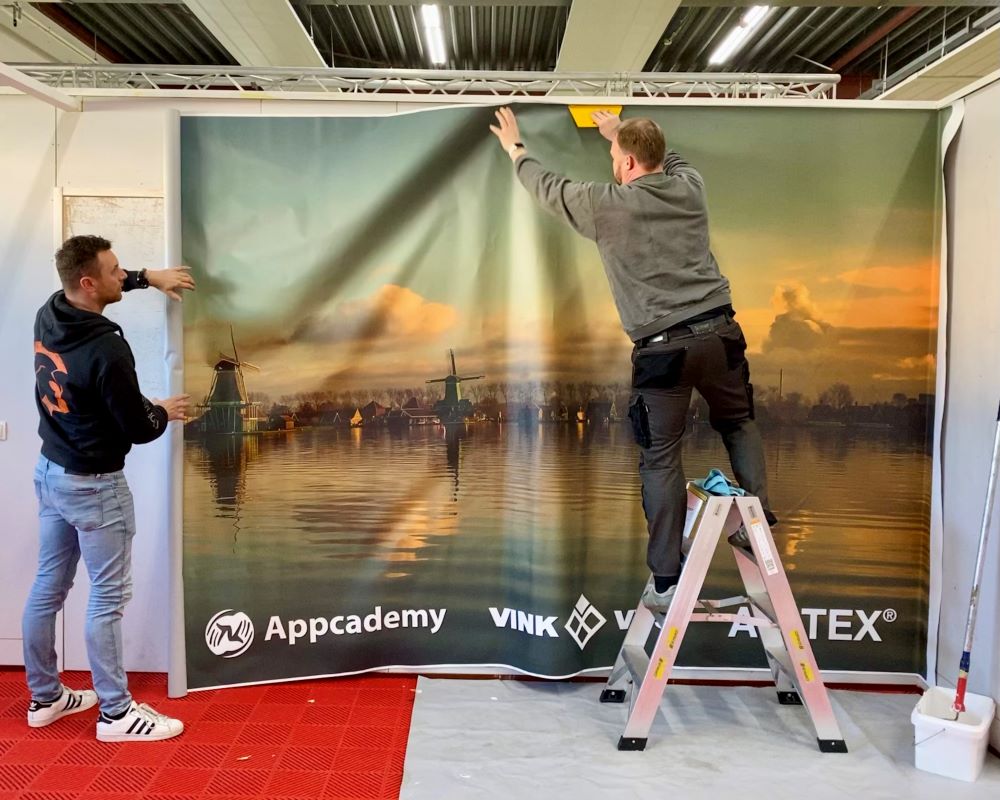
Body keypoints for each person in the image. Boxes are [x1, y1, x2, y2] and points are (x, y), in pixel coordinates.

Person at [489, 107, 774, 613]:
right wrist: (617, 133)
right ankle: (759, 525)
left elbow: (546, 186)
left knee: (661, 457)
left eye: (616, 157)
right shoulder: (691, 187)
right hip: (720, 335)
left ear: (624, 165)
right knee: (738, 423)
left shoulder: (604, 205)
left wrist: (516, 147)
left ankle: (667, 576)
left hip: (662, 349)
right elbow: (671, 160)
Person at [23, 235, 194, 741]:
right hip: (94, 486)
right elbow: (140, 428)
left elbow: (101, 393)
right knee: (107, 598)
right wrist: (162, 409)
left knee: (48, 586)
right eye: (117, 271)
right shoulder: (106, 346)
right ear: (88, 282)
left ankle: (45, 697)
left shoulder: (50, 312)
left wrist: (148, 278)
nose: (126, 275)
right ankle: (117, 714)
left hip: (51, 472)